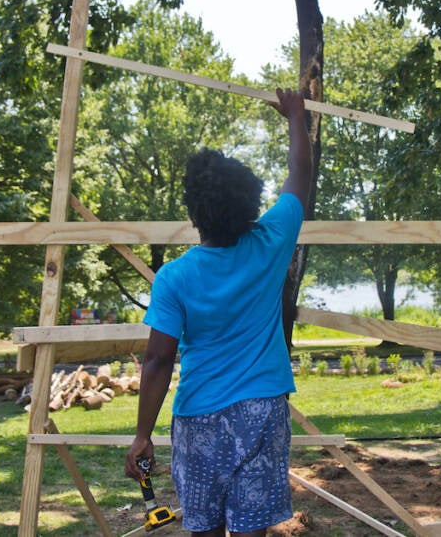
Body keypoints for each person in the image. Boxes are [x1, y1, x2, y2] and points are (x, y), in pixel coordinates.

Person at [124, 88, 312, 537]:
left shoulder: (174, 277)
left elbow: (158, 360)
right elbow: (301, 175)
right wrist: (295, 116)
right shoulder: (270, 243)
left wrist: (142, 435)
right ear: (249, 205)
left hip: (200, 419)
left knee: (204, 529)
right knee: (251, 532)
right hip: (264, 412)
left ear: (193, 213)